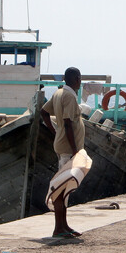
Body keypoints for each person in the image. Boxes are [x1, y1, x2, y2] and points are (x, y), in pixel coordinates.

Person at [40, 67, 86, 238]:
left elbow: (44, 113)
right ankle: (59, 228)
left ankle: (64, 226)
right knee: (61, 188)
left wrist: (55, 132)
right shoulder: (69, 96)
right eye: (80, 79)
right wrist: (75, 150)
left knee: (65, 187)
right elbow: (67, 123)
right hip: (67, 149)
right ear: (77, 79)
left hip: (63, 146)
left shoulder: (59, 93)